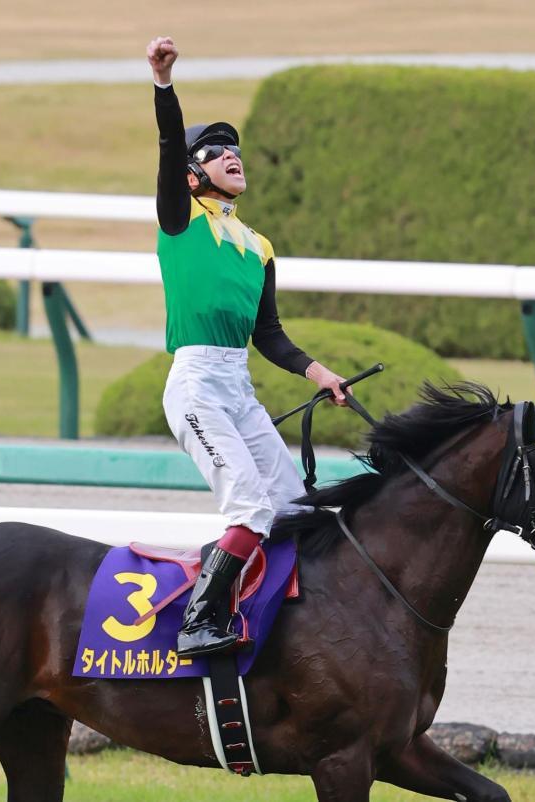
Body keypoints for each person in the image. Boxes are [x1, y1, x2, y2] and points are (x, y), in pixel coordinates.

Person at [147, 36, 350, 657]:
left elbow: (268, 335)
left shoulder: (258, 245)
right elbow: (166, 142)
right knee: (252, 508)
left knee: (295, 508)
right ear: (190, 173)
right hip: (196, 387)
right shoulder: (179, 220)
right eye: (215, 152)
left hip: (238, 388)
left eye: (236, 149)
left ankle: (284, 617)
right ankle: (199, 621)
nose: (232, 156)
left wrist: (319, 373)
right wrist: (163, 83)